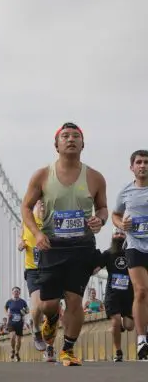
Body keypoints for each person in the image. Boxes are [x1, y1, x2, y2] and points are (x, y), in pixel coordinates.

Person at [21, 122, 108, 366]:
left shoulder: (95, 177)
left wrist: (100, 220)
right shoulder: (41, 175)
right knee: (49, 304)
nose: (71, 139)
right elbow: (26, 207)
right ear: (56, 145)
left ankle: (68, 349)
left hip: (82, 246)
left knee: (74, 299)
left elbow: (103, 208)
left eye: (76, 136)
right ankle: (50, 320)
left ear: (83, 144)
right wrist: (37, 234)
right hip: (52, 245)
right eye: (65, 136)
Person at [112, 149, 148, 359]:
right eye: (139, 162)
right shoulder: (125, 191)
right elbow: (115, 215)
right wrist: (121, 224)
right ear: (132, 167)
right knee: (141, 291)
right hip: (135, 245)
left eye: (146, 162)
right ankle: (142, 339)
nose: (143, 166)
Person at [94, 228, 134, 362]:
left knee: (130, 326)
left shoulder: (132, 253)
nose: (119, 236)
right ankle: (118, 351)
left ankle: (122, 323)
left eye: (122, 233)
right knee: (115, 321)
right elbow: (95, 270)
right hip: (113, 294)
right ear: (112, 236)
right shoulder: (108, 254)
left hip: (129, 295)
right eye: (116, 233)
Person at [18, 200, 47, 353]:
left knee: (50, 308)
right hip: (33, 270)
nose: (42, 205)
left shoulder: (53, 220)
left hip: (51, 269)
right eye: (39, 203)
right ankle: (36, 329)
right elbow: (21, 239)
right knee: (37, 306)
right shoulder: (27, 221)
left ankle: (50, 345)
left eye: (45, 202)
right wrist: (20, 245)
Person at [5, 286, 29, 362]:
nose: (16, 293)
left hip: (19, 322)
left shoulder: (23, 301)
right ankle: (13, 350)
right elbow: (5, 308)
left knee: (18, 340)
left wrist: (24, 312)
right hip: (11, 322)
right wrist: (7, 314)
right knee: (12, 337)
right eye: (15, 291)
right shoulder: (9, 301)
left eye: (17, 291)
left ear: (19, 293)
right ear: (12, 293)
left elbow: (28, 310)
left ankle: (17, 353)